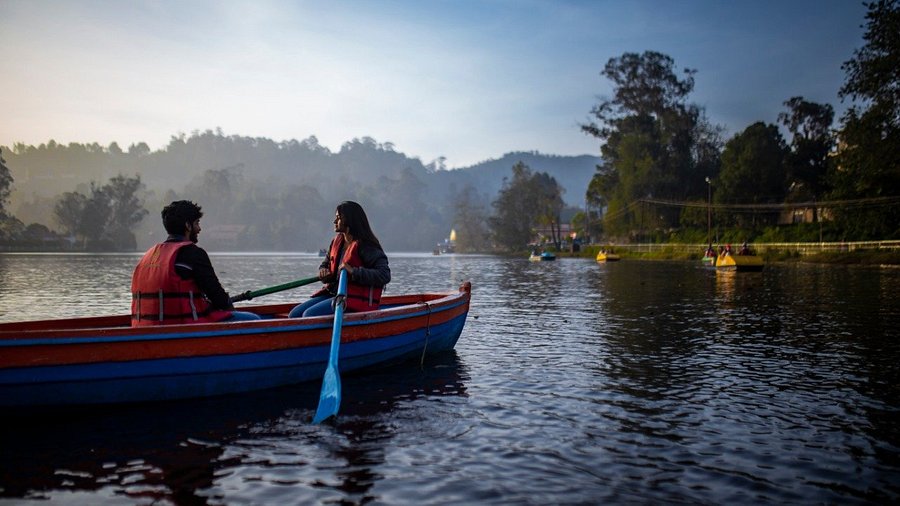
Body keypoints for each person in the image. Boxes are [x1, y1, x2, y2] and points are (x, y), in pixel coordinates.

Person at [130, 200, 260, 326]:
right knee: (255, 319)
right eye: (197, 223)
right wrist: (230, 311)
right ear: (187, 225)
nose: (199, 229)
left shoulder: (148, 255)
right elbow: (218, 297)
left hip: (146, 326)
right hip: (185, 326)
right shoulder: (193, 253)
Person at [289, 201, 391, 318]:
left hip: (354, 300)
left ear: (349, 220)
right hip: (334, 294)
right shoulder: (336, 241)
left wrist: (353, 271)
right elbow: (326, 263)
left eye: (338, 218)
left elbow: (385, 275)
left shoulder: (366, 246)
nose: (334, 222)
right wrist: (323, 271)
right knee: (294, 314)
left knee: (309, 314)